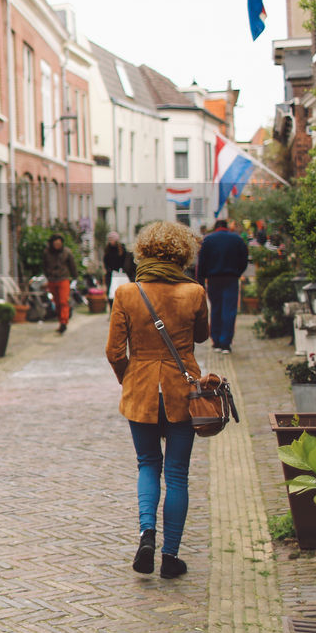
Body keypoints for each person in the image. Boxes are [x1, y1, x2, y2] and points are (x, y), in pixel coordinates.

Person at [106, 221, 209, 580]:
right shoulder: (194, 292)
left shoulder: (127, 294)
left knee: (148, 464)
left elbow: (114, 351)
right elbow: (203, 336)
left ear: (143, 251)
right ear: (183, 254)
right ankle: (170, 557)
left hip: (141, 392)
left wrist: (131, 379)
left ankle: (146, 535)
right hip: (183, 393)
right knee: (178, 474)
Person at [196, 218, 250, 353]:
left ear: (215, 227)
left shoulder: (208, 240)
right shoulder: (236, 239)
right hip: (231, 278)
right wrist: (238, 272)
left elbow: (201, 263)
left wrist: (200, 281)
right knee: (229, 311)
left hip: (213, 279)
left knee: (215, 309)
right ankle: (226, 343)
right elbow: (244, 259)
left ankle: (216, 341)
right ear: (227, 227)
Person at [41, 234, 77, 334]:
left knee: (63, 301)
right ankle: (60, 320)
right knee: (56, 301)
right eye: (56, 244)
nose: (57, 246)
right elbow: (44, 265)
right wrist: (48, 275)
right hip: (52, 280)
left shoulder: (66, 252)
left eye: (59, 244)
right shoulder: (47, 253)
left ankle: (64, 322)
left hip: (63, 279)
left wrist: (75, 277)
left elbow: (72, 265)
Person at [102, 231, 136, 309]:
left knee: (124, 293)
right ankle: (112, 310)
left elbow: (127, 262)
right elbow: (105, 262)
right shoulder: (107, 250)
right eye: (109, 239)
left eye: (112, 239)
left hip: (122, 275)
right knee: (112, 294)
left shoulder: (122, 250)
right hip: (111, 275)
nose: (110, 241)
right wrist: (109, 270)